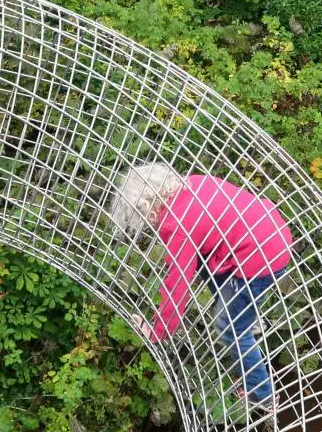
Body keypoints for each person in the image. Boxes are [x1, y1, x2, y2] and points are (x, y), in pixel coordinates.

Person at [109, 163, 293, 413]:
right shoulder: (192, 182)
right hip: (270, 228)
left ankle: (262, 394)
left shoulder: (176, 225)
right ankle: (249, 315)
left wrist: (158, 331)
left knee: (230, 328)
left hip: (261, 256)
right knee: (205, 264)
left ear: (144, 208)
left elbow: (178, 286)